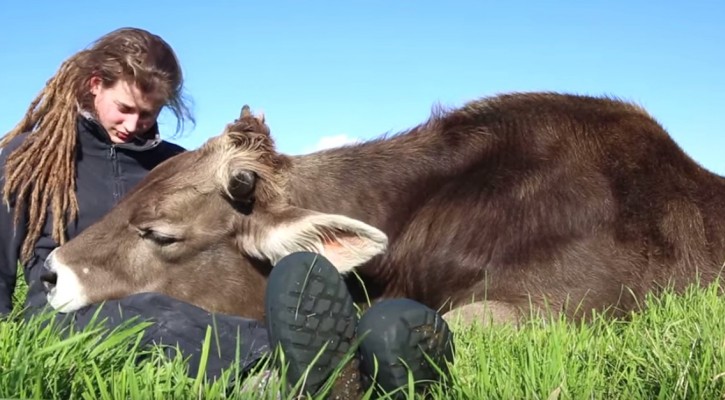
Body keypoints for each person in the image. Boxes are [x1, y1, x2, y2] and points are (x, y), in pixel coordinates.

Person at [0, 27, 454, 398]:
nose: (134, 124)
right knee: (152, 314)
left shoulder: (175, 165)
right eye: (125, 109)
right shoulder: (30, 158)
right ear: (94, 84)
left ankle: (376, 348)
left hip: (182, 304)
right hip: (68, 308)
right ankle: (286, 373)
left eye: (149, 113)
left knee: (210, 301)